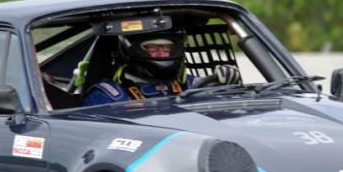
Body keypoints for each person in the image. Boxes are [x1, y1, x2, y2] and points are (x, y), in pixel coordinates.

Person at [82, 29, 240, 106]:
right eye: (153, 48)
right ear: (133, 50)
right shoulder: (107, 94)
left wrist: (224, 83)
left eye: (166, 49)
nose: (162, 54)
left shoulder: (187, 82)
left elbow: (216, 98)